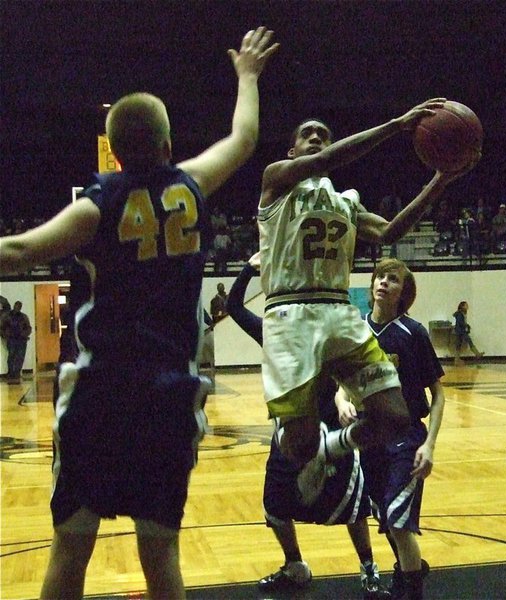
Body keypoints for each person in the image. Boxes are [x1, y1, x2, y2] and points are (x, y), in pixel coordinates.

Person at [0, 27, 278, 599]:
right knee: (162, 554)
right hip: (169, 395)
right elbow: (245, 137)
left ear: (115, 150)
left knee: (70, 549)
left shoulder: (94, 207)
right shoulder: (194, 183)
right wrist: (247, 76)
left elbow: (20, 250)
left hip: (100, 393)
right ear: (169, 144)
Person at [256, 101, 476, 499]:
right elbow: (326, 158)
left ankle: (330, 448)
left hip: (338, 309)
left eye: (323, 134)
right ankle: (308, 447)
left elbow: (391, 231)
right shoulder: (276, 182)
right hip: (290, 312)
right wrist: (396, 123)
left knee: (395, 417)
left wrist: (439, 180)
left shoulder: (346, 203)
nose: (316, 139)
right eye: (307, 134)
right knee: (298, 443)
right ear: (291, 152)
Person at [226, 255, 387, 599]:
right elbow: (233, 307)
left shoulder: (326, 330)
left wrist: (345, 399)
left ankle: (369, 568)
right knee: (275, 505)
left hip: (331, 431)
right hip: (288, 432)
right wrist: (249, 269)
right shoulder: (272, 332)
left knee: (353, 506)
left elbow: (349, 372)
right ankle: (294, 565)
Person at [337, 258, 445, 600]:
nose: (384, 282)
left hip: (407, 438)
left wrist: (429, 445)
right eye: (379, 277)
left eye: (393, 279)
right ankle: (407, 575)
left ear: (404, 292)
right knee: (386, 521)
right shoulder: (357, 334)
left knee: (398, 523)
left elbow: (439, 396)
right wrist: (342, 403)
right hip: (369, 439)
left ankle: (411, 591)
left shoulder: (413, 333)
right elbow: (342, 383)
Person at [0, 301, 32, 385]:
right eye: (16, 306)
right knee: (12, 356)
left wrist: (24, 334)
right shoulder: (7, 316)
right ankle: (11, 373)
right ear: (14, 306)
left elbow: (28, 328)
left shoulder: (24, 317)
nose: (17, 308)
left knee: (20, 357)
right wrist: (5, 335)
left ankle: (17, 373)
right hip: (11, 339)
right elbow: (1, 327)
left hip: (21, 339)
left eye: (19, 307)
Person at [452, 300, 484, 366]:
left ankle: (457, 360)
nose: (467, 306)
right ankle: (477, 354)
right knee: (469, 341)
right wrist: (466, 326)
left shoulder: (460, 313)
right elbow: (461, 323)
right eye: (466, 305)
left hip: (459, 331)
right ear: (462, 306)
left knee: (458, 345)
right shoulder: (460, 314)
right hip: (461, 331)